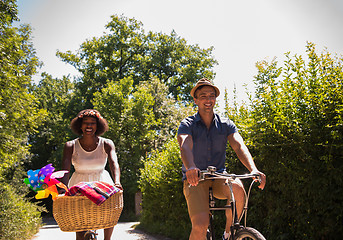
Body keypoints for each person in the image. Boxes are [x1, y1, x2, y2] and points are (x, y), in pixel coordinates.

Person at [177, 78, 266, 240]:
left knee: (238, 187)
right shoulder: (187, 124)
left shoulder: (226, 124)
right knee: (200, 225)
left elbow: (239, 146)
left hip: (219, 176)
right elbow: (185, 145)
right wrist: (190, 167)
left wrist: (253, 169)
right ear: (195, 100)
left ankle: (228, 233)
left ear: (215, 99)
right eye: (203, 96)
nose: (208, 99)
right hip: (196, 178)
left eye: (211, 95)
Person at [61, 109, 122, 240]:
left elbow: (114, 163)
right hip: (79, 184)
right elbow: (65, 169)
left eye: (93, 123)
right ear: (80, 125)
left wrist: (117, 182)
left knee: (108, 214)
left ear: (98, 125)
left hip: (102, 182)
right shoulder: (70, 145)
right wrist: (63, 188)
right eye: (85, 123)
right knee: (80, 223)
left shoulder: (106, 143)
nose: (89, 126)